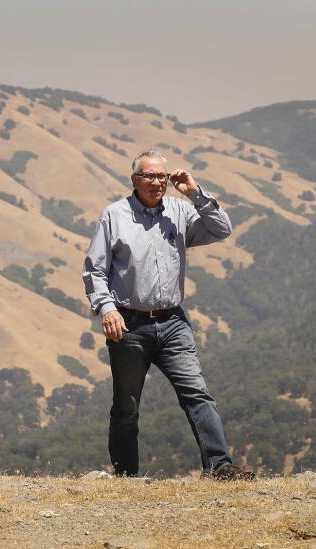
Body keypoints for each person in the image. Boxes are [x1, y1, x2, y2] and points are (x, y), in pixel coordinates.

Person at [82, 147, 254, 480]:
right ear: (134, 179)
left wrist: (196, 193)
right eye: (149, 176)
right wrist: (106, 308)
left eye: (162, 176)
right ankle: (126, 478)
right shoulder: (114, 215)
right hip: (129, 323)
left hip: (173, 322)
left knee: (197, 393)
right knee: (126, 407)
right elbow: (95, 270)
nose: (157, 182)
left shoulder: (180, 211)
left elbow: (222, 229)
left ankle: (220, 468)